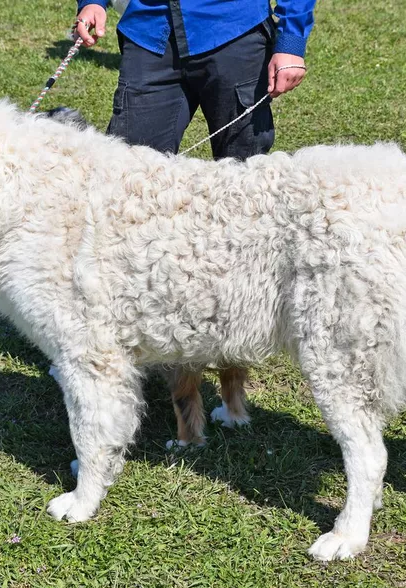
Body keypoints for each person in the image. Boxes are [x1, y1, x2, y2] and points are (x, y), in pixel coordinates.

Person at [69, 0, 317, 446]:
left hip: (233, 33)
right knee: (127, 207)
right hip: (150, 37)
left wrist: (292, 39)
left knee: (244, 218)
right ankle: (126, 362)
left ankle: (233, 385)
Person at [73, 0, 316, 158]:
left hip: (235, 32)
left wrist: (291, 41)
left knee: (244, 178)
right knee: (127, 174)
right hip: (150, 32)